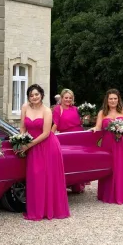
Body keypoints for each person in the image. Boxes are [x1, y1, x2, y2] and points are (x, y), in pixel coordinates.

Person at [19, 84, 70, 221]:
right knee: (35, 176)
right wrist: (21, 140)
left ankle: (50, 209)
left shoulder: (47, 111)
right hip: (32, 145)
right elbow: (22, 127)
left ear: (41, 95)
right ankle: (37, 209)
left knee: (47, 176)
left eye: (36, 94)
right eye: (31, 95)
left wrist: (28, 145)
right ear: (28, 97)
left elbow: (46, 133)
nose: (34, 97)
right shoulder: (25, 107)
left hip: (47, 146)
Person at [91, 89, 123, 204]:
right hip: (108, 144)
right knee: (110, 167)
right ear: (107, 100)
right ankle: (108, 194)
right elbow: (98, 127)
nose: (113, 101)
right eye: (111, 98)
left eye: (115, 98)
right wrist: (94, 129)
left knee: (121, 166)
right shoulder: (102, 112)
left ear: (118, 99)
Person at [51, 89, 86, 193]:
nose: (68, 100)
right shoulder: (58, 109)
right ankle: (67, 183)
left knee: (79, 160)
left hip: (79, 135)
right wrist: (50, 136)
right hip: (66, 137)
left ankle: (78, 185)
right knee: (68, 160)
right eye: (66, 97)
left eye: (70, 98)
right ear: (61, 98)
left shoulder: (76, 109)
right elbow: (55, 123)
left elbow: (80, 122)